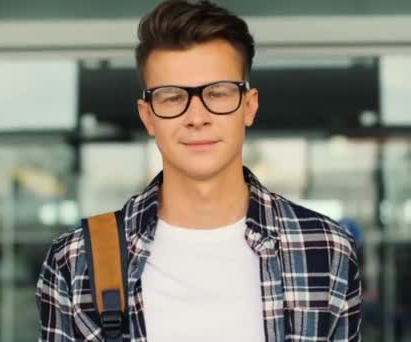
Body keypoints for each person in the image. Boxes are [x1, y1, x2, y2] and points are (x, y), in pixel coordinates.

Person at [36, 0, 362, 341]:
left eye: (217, 93)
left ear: (249, 107)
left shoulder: (324, 248)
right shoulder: (76, 262)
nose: (196, 117)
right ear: (147, 116)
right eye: (172, 97)